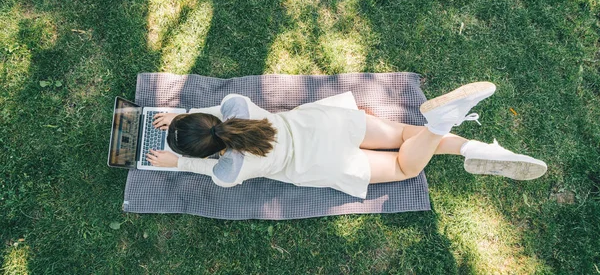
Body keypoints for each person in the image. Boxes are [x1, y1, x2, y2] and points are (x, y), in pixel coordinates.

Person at [146, 82, 547, 199]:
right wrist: (179, 119)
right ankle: (476, 147)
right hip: (330, 125)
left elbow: (207, 162)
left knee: (407, 165)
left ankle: (441, 128)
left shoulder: (229, 171)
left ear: (213, 154)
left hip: (324, 164)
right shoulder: (236, 106)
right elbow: (215, 115)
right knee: (409, 134)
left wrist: (179, 160)